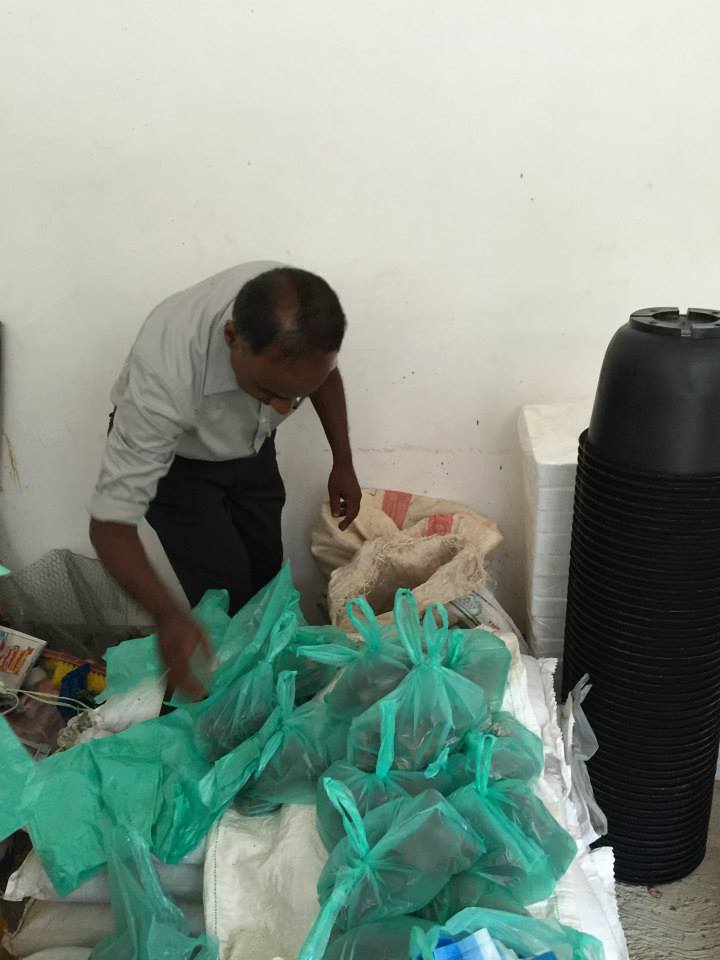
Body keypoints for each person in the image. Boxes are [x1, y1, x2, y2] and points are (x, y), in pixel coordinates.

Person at [89, 261, 361, 697]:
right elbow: (109, 526)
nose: (285, 407)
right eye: (269, 391)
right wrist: (168, 618)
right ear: (231, 337)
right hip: (178, 468)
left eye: (296, 395)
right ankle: (237, 705)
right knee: (225, 595)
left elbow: (323, 377)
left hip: (250, 448)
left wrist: (342, 460)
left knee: (267, 578)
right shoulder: (164, 377)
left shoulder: (301, 319)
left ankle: (270, 690)